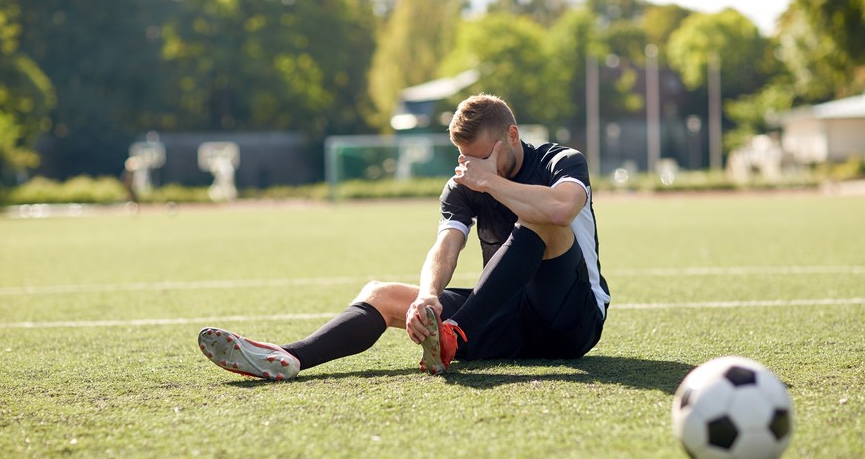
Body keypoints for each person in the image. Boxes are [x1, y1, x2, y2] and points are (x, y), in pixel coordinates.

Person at [198, 94, 610, 380]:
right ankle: (288, 356)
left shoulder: (560, 160)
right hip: (505, 319)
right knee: (381, 292)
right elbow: (446, 246)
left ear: (513, 136)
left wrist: (490, 182)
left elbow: (561, 209)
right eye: (463, 158)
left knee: (541, 219)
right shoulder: (464, 181)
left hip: (571, 322)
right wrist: (428, 296)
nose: (470, 168)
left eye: (481, 157)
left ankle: (454, 333)